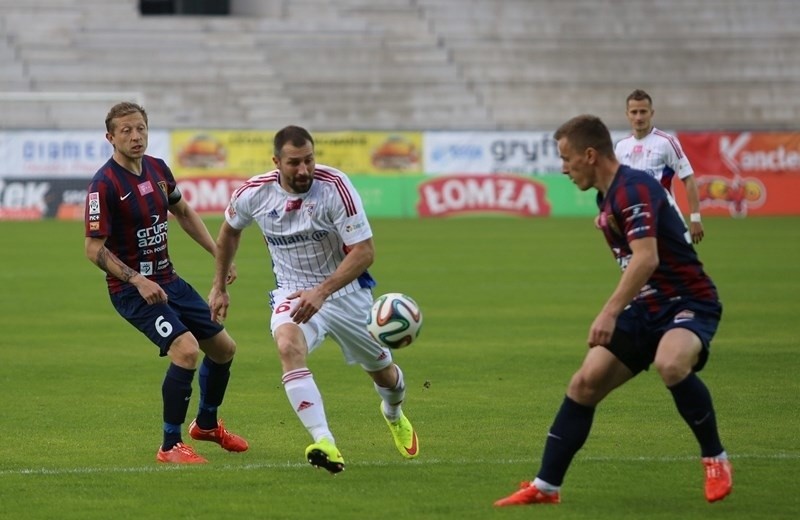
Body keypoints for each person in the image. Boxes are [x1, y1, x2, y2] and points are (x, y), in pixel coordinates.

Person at [494, 115, 732, 506]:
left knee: (671, 364)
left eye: (566, 158)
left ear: (590, 155)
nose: (563, 167)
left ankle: (715, 458)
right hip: (647, 307)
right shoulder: (607, 197)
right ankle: (546, 486)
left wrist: (608, 313)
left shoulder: (633, 189)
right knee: (584, 383)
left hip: (687, 301)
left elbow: (646, 259)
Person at [208, 125, 418, 474]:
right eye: (293, 163)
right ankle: (325, 442)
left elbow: (365, 252)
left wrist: (322, 292)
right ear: (276, 161)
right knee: (288, 345)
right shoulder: (254, 193)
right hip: (292, 290)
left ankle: (393, 413)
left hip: (346, 293)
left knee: (385, 376)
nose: (303, 170)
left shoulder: (335, 187)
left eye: (309, 160)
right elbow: (229, 231)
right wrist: (219, 285)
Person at [84, 101, 248, 464]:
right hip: (131, 290)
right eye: (125, 130)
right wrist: (136, 279)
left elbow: (184, 212)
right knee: (186, 350)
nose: (135, 136)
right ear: (110, 137)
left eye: (140, 128)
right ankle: (169, 445)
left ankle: (205, 425)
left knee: (224, 349)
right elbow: (93, 248)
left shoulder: (158, 169)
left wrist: (219, 255)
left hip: (168, 280)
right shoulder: (104, 185)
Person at [614, 89, 705, 244]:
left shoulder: (666, 142)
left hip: (664, 219)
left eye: (643, 112)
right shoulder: (621, 147)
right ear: (627, 114)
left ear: (652, 113)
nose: (639, 117)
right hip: (635, 223)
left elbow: (688, 178)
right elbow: (617, 187)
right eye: (634, 112)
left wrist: (695, 218)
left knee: (681, 266)